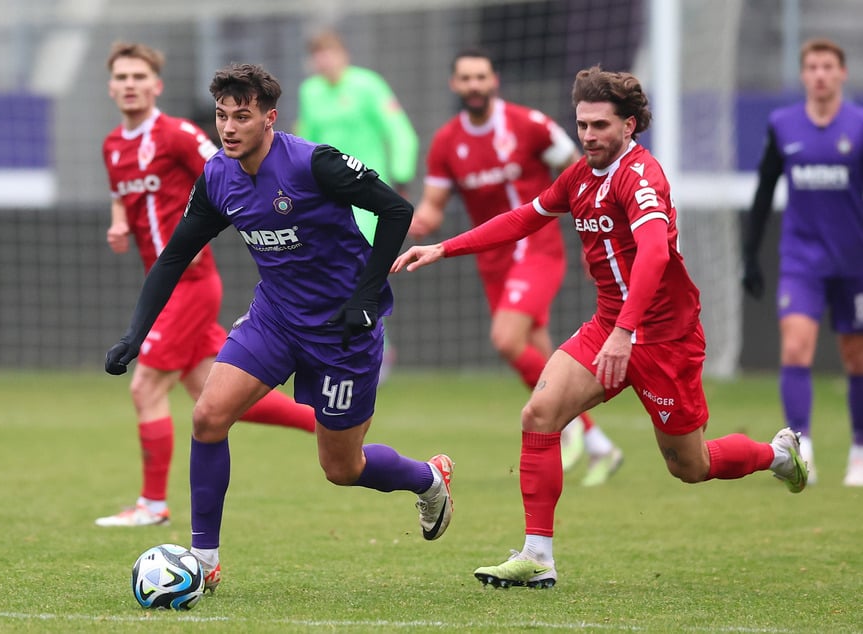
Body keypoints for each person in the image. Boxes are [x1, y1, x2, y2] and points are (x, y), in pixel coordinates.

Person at [393, 65, 808, 589]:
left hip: (662, 340)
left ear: (629, 126)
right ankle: (537, 555)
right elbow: (526, 216)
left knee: (690, 465)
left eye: (600, 126)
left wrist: (626, 332)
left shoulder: (641, 177)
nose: (588, 135)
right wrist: (444, 246)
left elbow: (655, 255)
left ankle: (777, 454)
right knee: (540, 413)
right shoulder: (580, 176)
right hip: (608, 327)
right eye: (582, 125)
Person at [105, 62, 453, 592]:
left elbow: (396, 210)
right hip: (276, 319)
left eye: (241, 117)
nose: (227, 128)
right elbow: (175, 257)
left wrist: (365, 295)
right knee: (208, 416)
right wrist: (135, 333)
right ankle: (204, 560)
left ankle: (427, 478)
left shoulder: (316, 164)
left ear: (269, 119)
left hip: (342, 332)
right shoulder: (219, 176)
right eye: (222, 116)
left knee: (342, 467)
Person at [98, 42, 317, 528]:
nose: (130, 84)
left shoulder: (176, 135)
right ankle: (322, 421)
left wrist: (202, 233)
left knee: (145, 386)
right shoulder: (114, 145)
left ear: (156, 86)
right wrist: (119, 222)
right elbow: (121, 193)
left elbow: (222, 167)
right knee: (213, 397)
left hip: (191, 282)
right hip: (168, 279)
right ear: (111, 86)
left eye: (139, 76)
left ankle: (152, 505)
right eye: (122, 77)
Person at [409, 47, 622, 485]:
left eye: (480, 77)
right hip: (493, 262)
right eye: (465, 78)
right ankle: (599, 443)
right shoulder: (447, 141)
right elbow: (431, 209)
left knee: (506, 340)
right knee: (544, 358)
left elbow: (582, 172)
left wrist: (595, 236)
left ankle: (565, 429)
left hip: (536, 249)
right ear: (455, 85)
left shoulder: (529, 125)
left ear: (494, 80)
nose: (473, 85)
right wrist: (396, 220)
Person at [743, 37, 863, 487]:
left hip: (855, 261)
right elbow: (763, 190)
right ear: (803, 74)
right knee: (795, 347)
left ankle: (859, 450)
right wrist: (749, 256)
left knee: (856, 357)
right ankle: (801, 448)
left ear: (842, 73)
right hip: (801, 259)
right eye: (811, 66)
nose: (819, 74)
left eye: (827, 66)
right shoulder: (783, 124)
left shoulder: (860, 125)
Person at [296, 29, 420, 383]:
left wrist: (401, 181)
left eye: (330, 53)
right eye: (318, 54)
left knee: (360, 268)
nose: (325, 61)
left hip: (367, 198)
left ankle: (375, 346)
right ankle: (351, 346)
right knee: (326, 272)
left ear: (344, 54)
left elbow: (400, 132)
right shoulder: (311, 92)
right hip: (324, 201)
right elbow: (303, 141)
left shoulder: (368, 86)